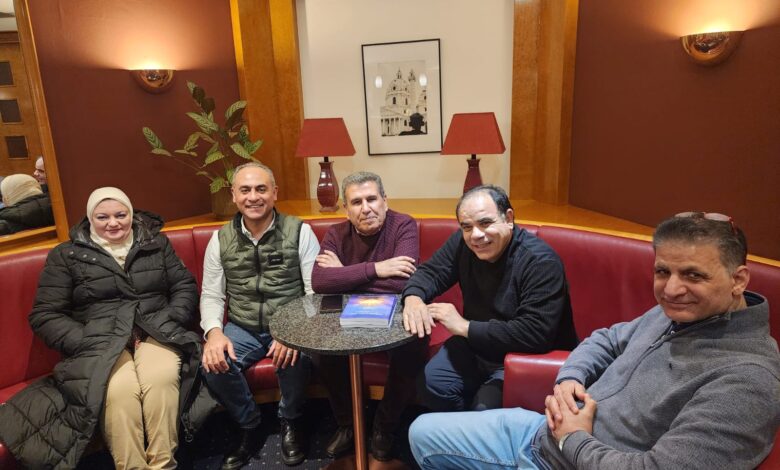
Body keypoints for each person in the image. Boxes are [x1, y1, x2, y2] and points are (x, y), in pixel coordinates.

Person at [408, 212, 780, 470]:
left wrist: (573, 440)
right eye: (663, 271)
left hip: (565, 455)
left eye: (693, 275)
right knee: (421, 431)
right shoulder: (677, 313)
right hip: (546, 435)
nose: (671, 289)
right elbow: (606, 339)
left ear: (738, 280)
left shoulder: (747, 382)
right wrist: (570, 377)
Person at [0, 187, 202, 469]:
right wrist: (85, 340)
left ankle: (163, 464)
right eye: (103, 217)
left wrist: (170, 318)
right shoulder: (66, 255)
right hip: (100, 342)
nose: (113, 223)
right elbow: (45, 314)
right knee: (119, 391)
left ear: (131, 215)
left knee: (160, 378)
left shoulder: (156, 243)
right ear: (90, 219)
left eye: (121, 215)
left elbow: (184, 286)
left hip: (155, 331)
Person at [402, 185, 577, 412]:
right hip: (478, 345)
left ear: (508, 219)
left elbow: (534, 333)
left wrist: (464, 327)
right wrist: (413, 297)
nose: (476, 235)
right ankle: (461, 428)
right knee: (431, 383)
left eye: (485, 223)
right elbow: (431, 272)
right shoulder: (464, 243)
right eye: (467, 227)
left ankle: (472, 428)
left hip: (523, 356)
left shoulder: (540, 262)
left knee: (484, 409)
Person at [199, 162, 319, 468]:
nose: (253, 197)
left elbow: (313, 292)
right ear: (234, 196)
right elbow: (212, 294)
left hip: (290, 321)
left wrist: (294, 331)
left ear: (274, 193)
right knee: (213, 364)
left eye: (261, 189)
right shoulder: (220, 239)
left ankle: (291, 420)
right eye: (245, 190)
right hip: (243, 326)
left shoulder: (300, 232)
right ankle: (249, 425)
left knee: (296, 356)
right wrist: (214, 333)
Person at [311, 171, 427, 461]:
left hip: (397, 314)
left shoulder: (403, 225)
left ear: (385, 201)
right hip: (350, 315)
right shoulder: (336, 233)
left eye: (372, 199)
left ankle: (384, 426)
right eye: (356, 202)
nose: (366, 208)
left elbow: (402, 283)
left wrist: (343, 274)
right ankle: (349, 424)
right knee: (321, 348)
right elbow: (319, 281)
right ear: (346, 209)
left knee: (413, 344)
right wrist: (377, 269)